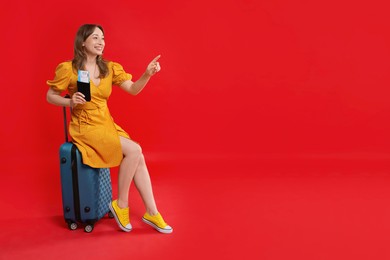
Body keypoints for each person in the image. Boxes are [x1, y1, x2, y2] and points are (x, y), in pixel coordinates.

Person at [46, 24, 172, 234]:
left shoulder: (110, 68)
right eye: (95, 37)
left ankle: (152, 211)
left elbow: (133, 89)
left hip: (105, 123)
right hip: (85, 126)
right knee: (134, 150)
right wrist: (70, 102)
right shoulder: (68, 69)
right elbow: (50, 96)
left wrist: (147, 74)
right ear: (83, 42)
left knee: (137, 156)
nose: (100, 42)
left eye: (103, 38)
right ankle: (121, 205)